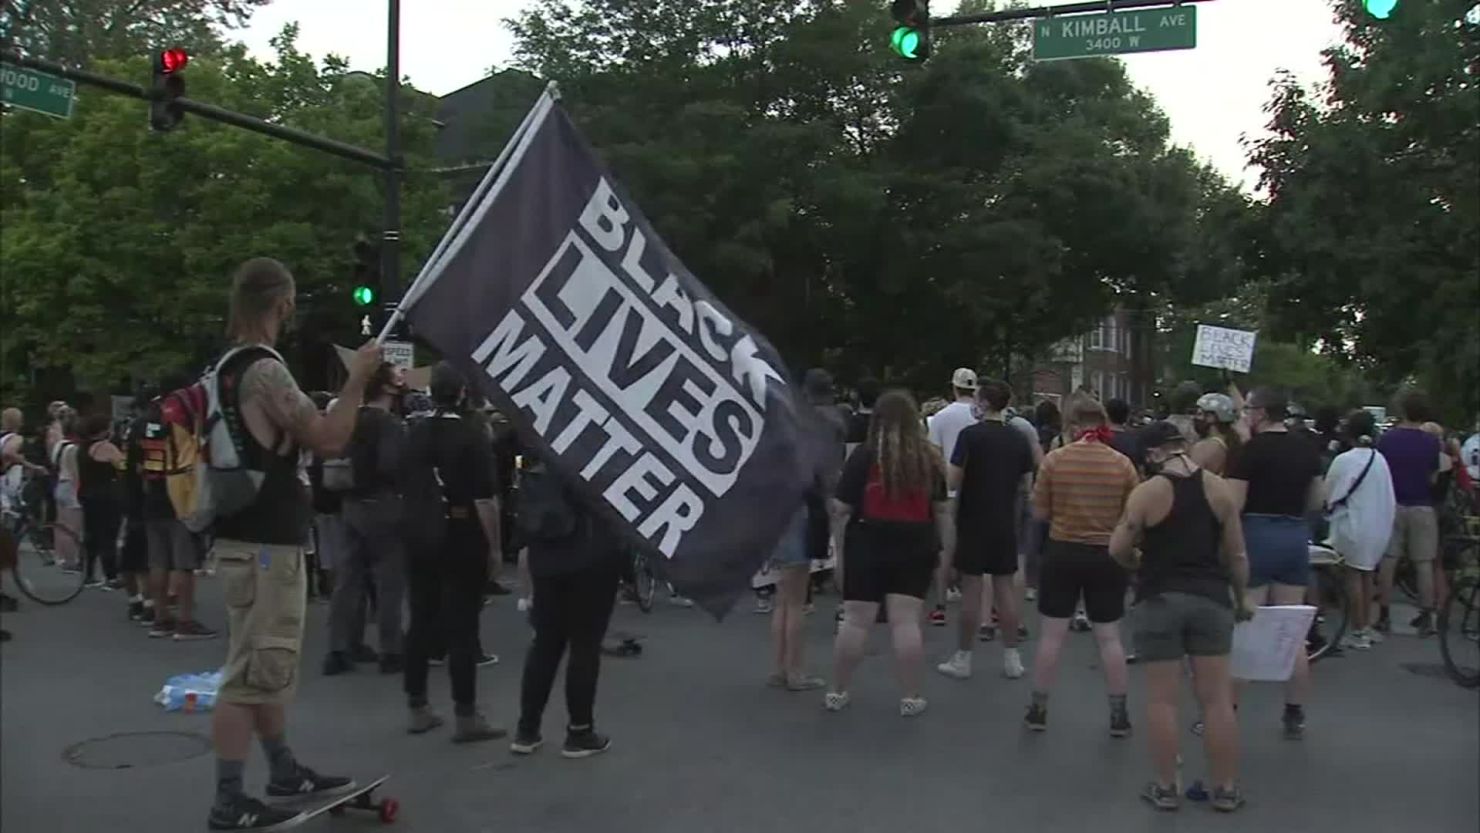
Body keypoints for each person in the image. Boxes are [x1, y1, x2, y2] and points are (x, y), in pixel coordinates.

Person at [206, 257, 379, 831]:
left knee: (266, 663)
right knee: (248, 673)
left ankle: (283, 769)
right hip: (265, 543)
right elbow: (329, 438)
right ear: (281, 304)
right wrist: (358, 380)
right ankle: (228, 801)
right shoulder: (265, 371)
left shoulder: (226, 367)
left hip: (245, 537)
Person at [1110, 421, 1251, 813]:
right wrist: (1241, 599)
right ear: (1184, 447)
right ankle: (1224, 789)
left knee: (1162, 701)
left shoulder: (1147, 492)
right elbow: (1237, 556)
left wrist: (1137, 562)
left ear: (1154, 453)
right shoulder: (1219, 489)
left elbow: (1117, 547)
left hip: (1159, 600)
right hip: (1210, 598)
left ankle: (1167, 787)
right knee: (1217, 700)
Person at [398, 362, 505, 743]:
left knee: (421, 618)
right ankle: (466, 713)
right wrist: (494, 547)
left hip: (419, 530)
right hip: (460, 529)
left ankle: (418, 705)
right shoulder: (472, 434)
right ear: (462, 392)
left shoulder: (415, 432)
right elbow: (485, 498)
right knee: (462, 624)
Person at [825, 390, 948, 717]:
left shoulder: (865, 456)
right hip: (915, 542)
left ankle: (838, 690)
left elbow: (840, 508)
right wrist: (946, 552)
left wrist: (838, 551)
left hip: (867, 539)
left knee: (855, 620)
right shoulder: (928, 459)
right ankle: (910, 696)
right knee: (906, 622)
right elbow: (942, 509)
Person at [1025, 398, 1139, 736]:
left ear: (1072, 425)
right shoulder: (1122, 464)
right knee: (1108, 637)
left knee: (1052, 636)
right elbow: (1131, 517)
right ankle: (1118, 714)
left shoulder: (1055, 461)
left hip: (1063, 551)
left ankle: (1038, 709)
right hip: (1106, 554)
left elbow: (1039, 514)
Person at [510, 453, 623, 759]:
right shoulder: (596, 459)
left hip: (546, 559)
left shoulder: (540, 456)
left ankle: (527, 729)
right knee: (584, 646)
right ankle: (580, 731)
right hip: (591, 558)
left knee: (545, 644)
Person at [1225, 387, 1324, 739]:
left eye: (1250, 408)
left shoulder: (1251, 451)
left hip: (1257, 534)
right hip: (1294, 536)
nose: (1247, 413)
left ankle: (1228, 712)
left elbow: (1232, 504)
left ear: (1263, 412)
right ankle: (1294, 712)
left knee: (1247, 624)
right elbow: (1317, 499)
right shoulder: (1306, 448)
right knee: (1292, 627)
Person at [937, 380, 1037, 681]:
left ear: (982, 403)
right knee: (1005, 590)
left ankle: (963, 657)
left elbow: (952, 481)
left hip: (973, 519)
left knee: (972, 591)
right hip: (1005, 519)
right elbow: (1028, 484)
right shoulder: (1019, 439)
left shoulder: (970, 436)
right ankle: (1011, 656)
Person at [324, 362, 408, 675]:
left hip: (350, 502)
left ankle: (340, 647)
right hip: (383, 504)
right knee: (388, 581)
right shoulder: (390, 424)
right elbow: (390, 465)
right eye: (396, 375)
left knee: (348, 578)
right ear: (386, 387)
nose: (402, 378)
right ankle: (391, 649)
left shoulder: (352, 419)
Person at [137, 381, 216, 641]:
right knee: (184, 562)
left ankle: (160, 618)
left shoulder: (144, 421)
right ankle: (185, 620)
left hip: (152, 492)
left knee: (158, 561)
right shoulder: (179, 413)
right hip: (180, 491)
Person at [1374, 391, 1443, 637]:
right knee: (1424, 563)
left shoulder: (1387, 440)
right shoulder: (1431, 442)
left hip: (1393, 504)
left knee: (1388, 560)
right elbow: (1434, 477)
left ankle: (1383, 614)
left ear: (1402, 410)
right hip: (1422, 505)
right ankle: (1427, 615)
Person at [1325, 410, 1395, 650]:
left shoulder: (1344, 460)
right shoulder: (1380, 459)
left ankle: (1357, 630)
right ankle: (1366, 626)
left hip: (1353, 525)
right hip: (1378, 526)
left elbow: (1328, 493)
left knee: (1353, 576)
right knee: (1367, 575)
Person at [926, 368, 980, 626]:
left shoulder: (940, 417)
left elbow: (934, 455)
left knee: (946, 547)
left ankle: (940, 604)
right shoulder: (980, 417)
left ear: (954, 388)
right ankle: (981, 605)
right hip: (977, 488)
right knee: (976, 547)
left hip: (947, 489)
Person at [76, 414, 125, 590]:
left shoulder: (81, 448)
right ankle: (111, 576)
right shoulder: (106, 447)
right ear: (104, 430)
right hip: (107, 495)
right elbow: (123, 466)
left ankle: (88, 573)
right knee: (109, 535)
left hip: (87, 494)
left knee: (91, 534)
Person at [50, 409, 83, 574]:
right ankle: (72, 561)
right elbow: (75, 472)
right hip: (70, 486)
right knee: (73, 528)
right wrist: (80, 490)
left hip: (60, 484)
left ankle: (60, 556)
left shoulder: (59, 445)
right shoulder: (73, 449)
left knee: (61, 524)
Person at [1190, 393, 1242, 476]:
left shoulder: (1203, 447)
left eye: (1199, 414)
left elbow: (1190, 481)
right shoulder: (1235, 442)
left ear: (1211, 417)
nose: (1194, 418)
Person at [1105, 398, 1145, 474]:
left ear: (1106, 415)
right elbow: (1141, 467)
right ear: (1127, 417)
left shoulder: (1101, 439)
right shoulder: (1137, 439)